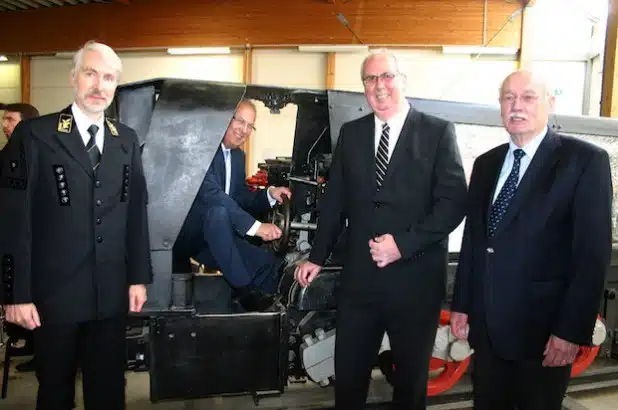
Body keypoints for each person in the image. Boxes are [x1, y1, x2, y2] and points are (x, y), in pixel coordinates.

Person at [294, 49, 467, 409]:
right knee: (350, 380)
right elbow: (335, 201)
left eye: (386, 76)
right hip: (361, 284)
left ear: (402, 81)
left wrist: (402, 245)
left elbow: (453, 205)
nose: (379, 86)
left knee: (409, 386)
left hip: (415, 283)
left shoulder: (437, 133)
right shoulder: (353, 134)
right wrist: (317, 255)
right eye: (370, 79)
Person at [0, 41, 152, 410]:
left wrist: (138, 277)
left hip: (110, 295)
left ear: (116, 85)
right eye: (91, 73)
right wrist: (14, 294)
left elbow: (135, 213)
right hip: (53, 297)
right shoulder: (35, 136)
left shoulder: (126, 141)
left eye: (109, 78)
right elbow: (12, 221)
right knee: (54, 391)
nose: (100, 85)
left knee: (109, 392)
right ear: (74, 78)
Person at [450, 69, 612, 410]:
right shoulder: (485, 164)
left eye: (527, 97)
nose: (516, 106)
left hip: (544, 334)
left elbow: (591, 256)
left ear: (550, 103)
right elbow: (475, 242)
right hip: (488, 328)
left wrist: (570, 331)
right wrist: (462, 304)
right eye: (508, 98)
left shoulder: (583, 162)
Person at [174, 99, 291, 312]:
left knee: (267, 262)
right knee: (218, 212)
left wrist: (270, 194)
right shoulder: (201, 149)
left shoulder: (238, 156)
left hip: (218, 237)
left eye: (250, 126)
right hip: (188, 236)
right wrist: (257, 228)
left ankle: (260, 319)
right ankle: (243, 290)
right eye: (240, 122)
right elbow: (213, 195)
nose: (244, 130)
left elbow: (239, 196)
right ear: (226, 119)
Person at [0, 102, 40, 372]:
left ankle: (42, 351)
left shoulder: (34, 155)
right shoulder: (7, 154)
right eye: (4, 120)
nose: (5, 125)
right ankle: (28, 342)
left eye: (10, 120)